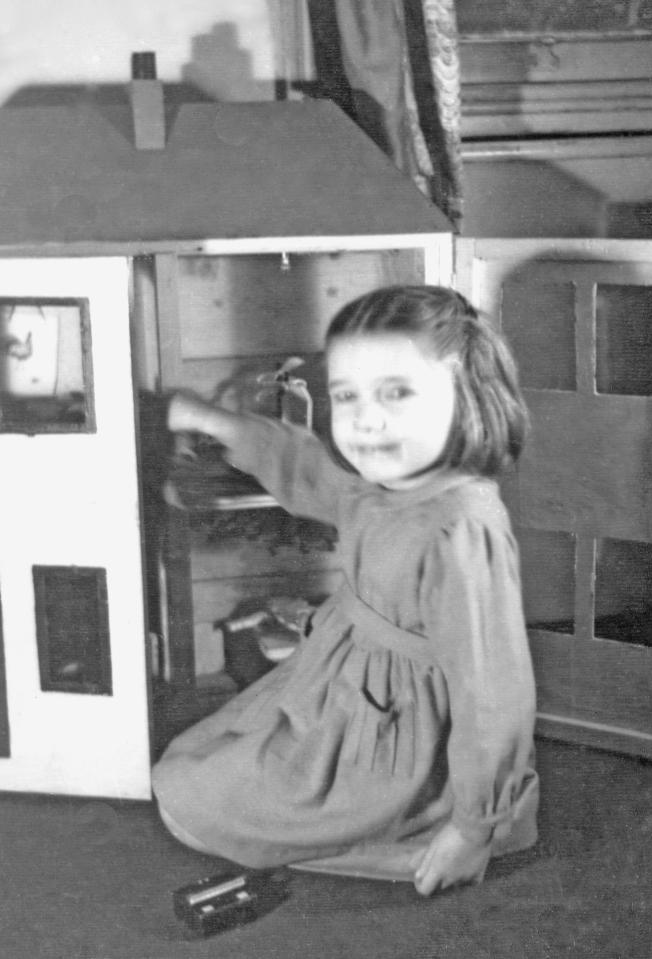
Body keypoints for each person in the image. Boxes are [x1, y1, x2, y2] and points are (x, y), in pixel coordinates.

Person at [152, 284, 539, 897]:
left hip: (400, 729)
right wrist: (211, 418)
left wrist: (475, 826)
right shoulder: (388, 484)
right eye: (346, 395)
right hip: (345, 690)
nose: (365, 418)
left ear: (467, 399)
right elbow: (310, 469)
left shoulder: (460, 527)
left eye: (396, 393)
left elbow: (493, 693)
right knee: (183, 772)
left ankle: (433, 835)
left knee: (193, 808)